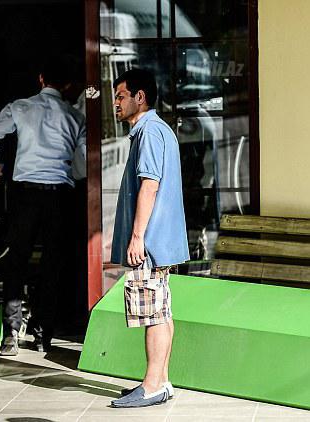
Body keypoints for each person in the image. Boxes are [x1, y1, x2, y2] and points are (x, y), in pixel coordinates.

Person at [0, 57, 86, 355]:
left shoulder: (21, 107)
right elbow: (82, 165)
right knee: (52, 264)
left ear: (40, 79)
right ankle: (42, 335)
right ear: (65, 85)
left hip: (25, 194)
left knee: (17, 261)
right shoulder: (75, 117)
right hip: (59, 196)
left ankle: (11, 334)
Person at [108, 69, 189, 408]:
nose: (115, 103)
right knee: (162, 310)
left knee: (152, 313)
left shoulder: (149, 133)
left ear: (139, 97)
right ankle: (162, 381)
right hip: (160, 241)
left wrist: (137, 236)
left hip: (151, 242)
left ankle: (152, 385)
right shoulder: (157, 130)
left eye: (120, 96)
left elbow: (150, 185)